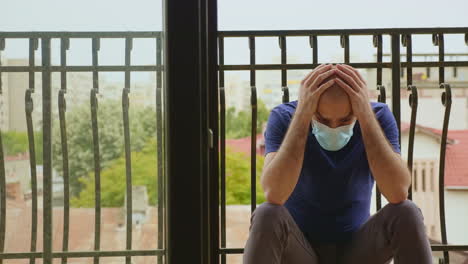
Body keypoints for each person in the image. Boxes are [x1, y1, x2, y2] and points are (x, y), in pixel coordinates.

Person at [242, 63, 432, 264]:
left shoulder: (377, 117)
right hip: (301, 250)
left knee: (407, 212)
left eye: (345, 120)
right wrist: (303, 115)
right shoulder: (285, 117)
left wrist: (365, 116)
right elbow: (274, 193)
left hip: (357, 250)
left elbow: (398, 191)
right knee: (266, 214)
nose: (333, 127)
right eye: (322, 119)